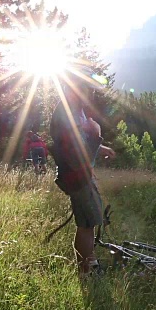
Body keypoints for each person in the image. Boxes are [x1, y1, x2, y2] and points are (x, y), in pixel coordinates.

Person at [49, 77, 116, 278]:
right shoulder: (68, 114)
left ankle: (90, 263)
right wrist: (96, 135)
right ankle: (86, 271)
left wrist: (100, 146)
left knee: (90, 221)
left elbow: (81, 142)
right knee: (86, 224)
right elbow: (77, 154)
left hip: (81, 175)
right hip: (78, 177)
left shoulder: (74, 110)